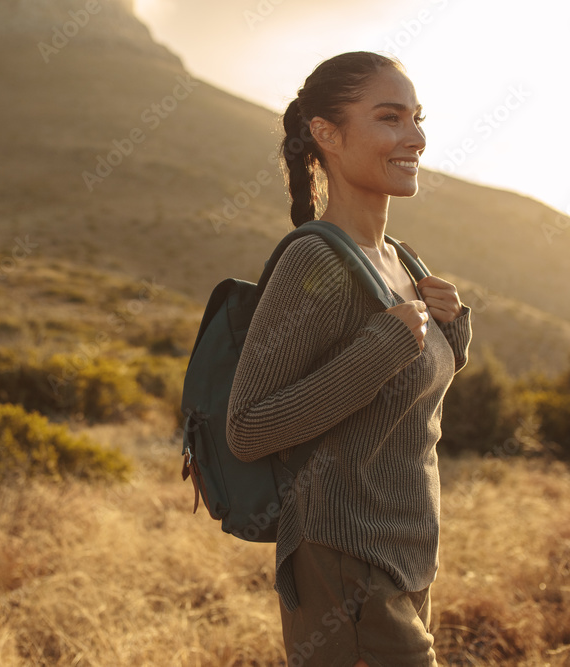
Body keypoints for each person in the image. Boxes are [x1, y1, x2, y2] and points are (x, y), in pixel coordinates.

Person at [225, 52, 472, 667]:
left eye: (417, 118)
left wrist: (452, 334)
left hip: (409, 553)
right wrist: (381, 349)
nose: (414, 137)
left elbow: (399, 405)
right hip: (343, 561)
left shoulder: (402, 259)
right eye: (390, 118)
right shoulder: (316, 261)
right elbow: (248, 427)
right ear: (327, 135)